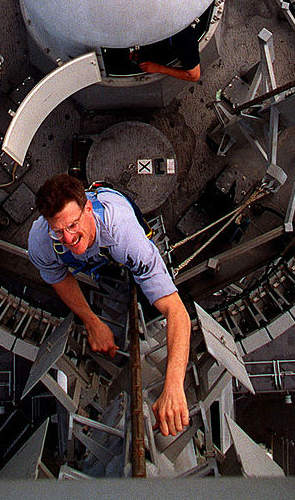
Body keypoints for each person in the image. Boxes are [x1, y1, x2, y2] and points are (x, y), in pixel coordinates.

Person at [28, 173, 190, 436]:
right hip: (96, 253)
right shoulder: (41, 241)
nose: (67, 238)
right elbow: (58, 278)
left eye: (72, 225)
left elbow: (176, 311)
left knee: (141, 267)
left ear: (88, 209)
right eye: (58, 230)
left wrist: (173, 386)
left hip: (116, 222)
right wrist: (92, 322)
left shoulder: (125, 234)